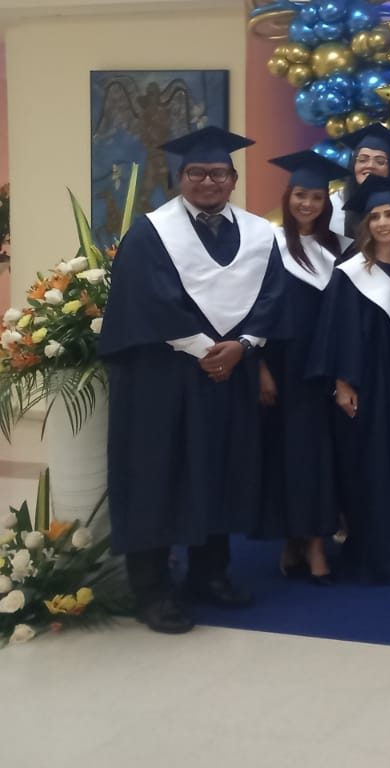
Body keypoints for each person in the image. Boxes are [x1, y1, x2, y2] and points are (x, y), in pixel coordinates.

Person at [99, 127, 286, 634]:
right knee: (159, 473)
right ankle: (153, 589)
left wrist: (243, 347)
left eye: (218, 173)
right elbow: (151, 300)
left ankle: (210, 574)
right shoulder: (149, 234)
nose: (208, 181)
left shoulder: (258, 234)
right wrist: (206, 350)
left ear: (233, 178)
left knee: (220, 469)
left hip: (229, 374)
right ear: (179, 178)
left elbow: (273, 296)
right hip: (163, 378)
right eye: (197, 173)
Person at [307, 175, 390, 584]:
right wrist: (343, 384)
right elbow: (336, 332)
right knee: (377, 464)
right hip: (373, 383)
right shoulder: (352, 273)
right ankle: (382, 554)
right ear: (366, 224)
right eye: (375, 216)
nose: (383, 223)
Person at [256, 150, 344, 586]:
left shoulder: (335, 248)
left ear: (326, 202)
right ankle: (301, 541)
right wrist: (260, 369)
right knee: (290, 455)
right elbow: (252, 312)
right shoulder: (268, 245)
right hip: (282, 366)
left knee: (320, 454)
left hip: (323, 366)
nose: (307, 204)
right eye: (300, 195)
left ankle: (311, 541)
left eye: (315, 197)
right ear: (288, 197)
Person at [331, 124, 390, 245]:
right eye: (363, 160)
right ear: (353, 165)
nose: (370, 165)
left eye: (380, 161)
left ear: (389, 169)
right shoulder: (335, 203)